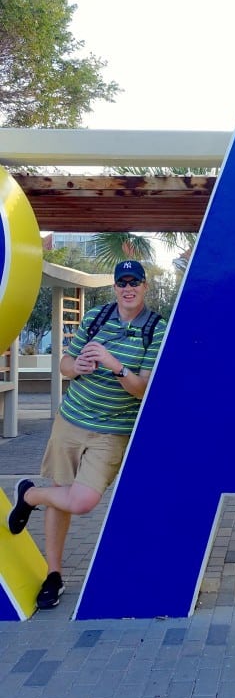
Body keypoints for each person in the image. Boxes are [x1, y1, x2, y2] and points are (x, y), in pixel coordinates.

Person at [7, 260, 166, 609]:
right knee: (62, 492)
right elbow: (65, 364)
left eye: (134, 282)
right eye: (122, 282)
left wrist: (115, 364)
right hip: (72, 419)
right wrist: (74, 366)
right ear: (114, 287)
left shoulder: (156, 328)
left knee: (82, 500)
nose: (128, 288)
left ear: (144, 287)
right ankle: (54, 574)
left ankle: (30, 496)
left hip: (113, 431)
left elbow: (143, 390)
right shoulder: (96, 317)